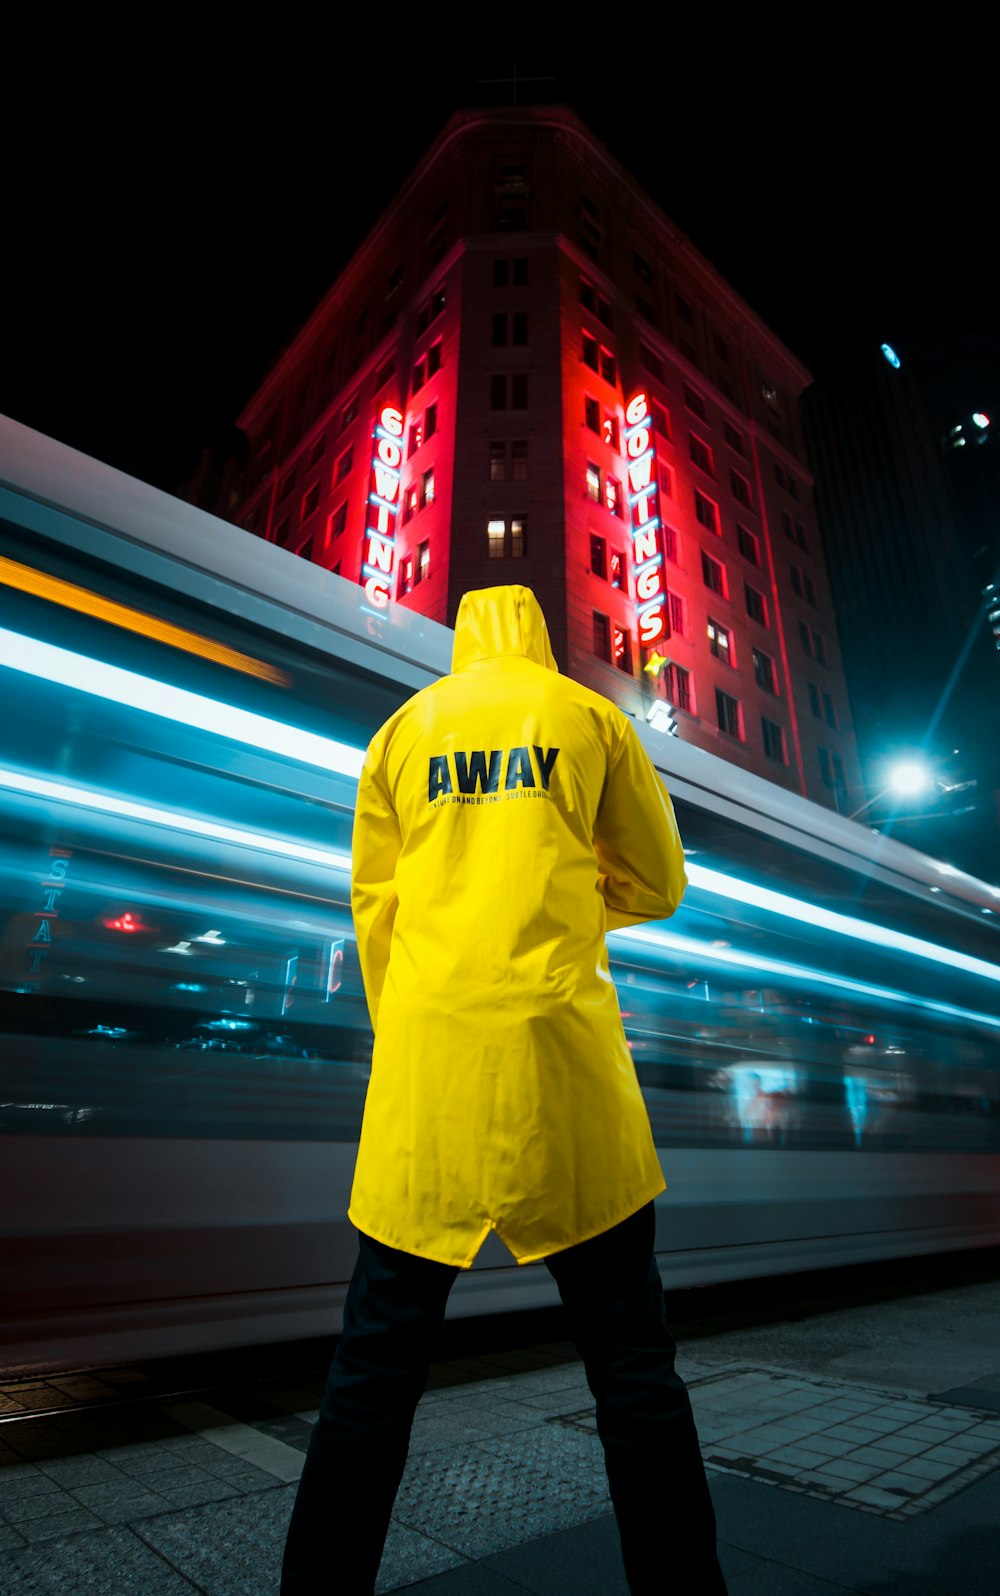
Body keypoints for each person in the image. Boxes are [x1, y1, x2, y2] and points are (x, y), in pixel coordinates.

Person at [280, 585, 727, 1594]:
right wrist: (563, 892)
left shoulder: (401, 733)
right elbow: (659, 884)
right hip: (563, 1082)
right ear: (534, 636)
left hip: (427, 1094)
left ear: (460, 642)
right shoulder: (588, 719)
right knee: (631, 1369)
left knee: (368, 1382)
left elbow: (374, 911)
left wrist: (417, 1032)